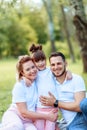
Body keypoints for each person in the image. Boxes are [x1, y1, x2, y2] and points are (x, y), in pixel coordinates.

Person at [0, 55, 58, 130]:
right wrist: (47, 117)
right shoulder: (20, 86)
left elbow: (55, 72)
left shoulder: (37, 79)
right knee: (17, 127)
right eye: (27, 69)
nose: (32, 71)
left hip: (28, 121)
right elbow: (24, 113)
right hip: (15, 115)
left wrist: (68, 72)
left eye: (33, 67)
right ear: (22, 73)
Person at [25, 44, 72, 130]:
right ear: (34, 63)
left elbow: (60, 71)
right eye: (37, 61)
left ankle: (55, 126)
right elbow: (25, 76)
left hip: (52, 108)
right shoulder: (35, 73)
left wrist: (68, 72)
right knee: (39, 127)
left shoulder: (50, 70)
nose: (41, 63)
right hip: (39, 108)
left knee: (49, 127)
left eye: (43, 60)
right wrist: (25, 79)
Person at [40, 52, 87, 130]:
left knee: (84, 103)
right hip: (74, 122)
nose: (56, 67)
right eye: (53, 65)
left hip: (84, 112)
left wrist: (56, 103)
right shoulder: (49, 81)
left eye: (59, 63)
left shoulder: (76, 79)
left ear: (65, 63)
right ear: (50, 67)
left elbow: (79, 106)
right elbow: (34, 69)